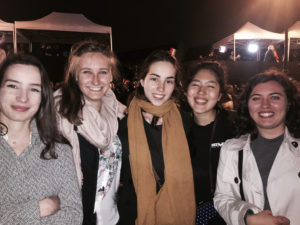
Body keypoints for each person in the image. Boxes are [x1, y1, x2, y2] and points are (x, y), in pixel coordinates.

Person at [0, 54, 83, 225]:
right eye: (13, 85)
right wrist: (41, 208)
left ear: (43, 96)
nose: (23, 97)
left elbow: (74, 217)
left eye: (34, 89)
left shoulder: (59, 151)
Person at [117, 50, 195, 225]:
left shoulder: (185, 121)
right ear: (142, 81)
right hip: (135, 214)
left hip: (176, 213)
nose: (161, 87)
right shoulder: (123, 126)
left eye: (169, 81)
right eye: (154, 79)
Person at [214, 70, 300, 225]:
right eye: (256, 98)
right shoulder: (231, 150)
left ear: (288, 103)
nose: (265, 105)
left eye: (274, 97)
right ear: (247, 105)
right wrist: (247, 217)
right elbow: (223, 197)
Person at [55, 40, 125, 225]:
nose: (96, 80)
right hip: (76, 218)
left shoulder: (117, 112)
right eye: (87, 72)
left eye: (103, 72)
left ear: (111, 75)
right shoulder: (58, 117)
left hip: (111, 218)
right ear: (75, 75)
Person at [185, 61, 236, 225]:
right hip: (183, 215)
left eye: (210, 86)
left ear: (220, 95)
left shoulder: (235, 127)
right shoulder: (177, 127)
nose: (201, 92)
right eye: (196, 84)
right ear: (186, 90)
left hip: (223, 215)